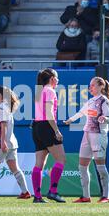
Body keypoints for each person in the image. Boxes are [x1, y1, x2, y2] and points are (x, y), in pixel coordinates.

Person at [64, 77, 109, 203]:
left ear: (101, 86)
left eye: (92, 85)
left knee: (100, 167)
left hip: (98, 135)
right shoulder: (91, 101)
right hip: (87, 134)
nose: (90, 88)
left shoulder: (104, 101)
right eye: (90, 85)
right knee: (82, 166)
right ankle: (86, 196)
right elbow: (81, 113)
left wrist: (104, 118)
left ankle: (106, 196)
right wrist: (70, 120)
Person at [0, 86, 31, 200]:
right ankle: (25, 192)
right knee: (15, 168)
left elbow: (3, 125)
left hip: (4, 143)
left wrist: (3, 142)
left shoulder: (2, 107)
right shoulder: (5, 107)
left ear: (0, 94)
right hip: (11, 143)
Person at [31, 68, 66, 203]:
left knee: (39, 164)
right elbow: (49, 112)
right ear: (52, 78)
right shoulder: (50, 91)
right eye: (57, 78)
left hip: (36, 127)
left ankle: (37, 197)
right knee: (61, 160)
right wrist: (56, 130)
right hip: (46, 126)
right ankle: (53, 191)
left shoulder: (39, 91)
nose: (58, 80)